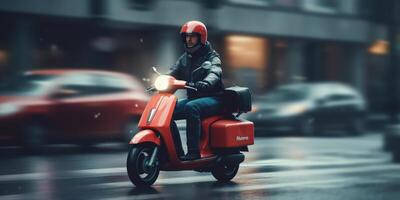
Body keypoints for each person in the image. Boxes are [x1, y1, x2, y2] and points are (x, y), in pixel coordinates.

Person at [169, 21, 224, 161]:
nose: (189, 40)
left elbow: (215, 72)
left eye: (192, 37)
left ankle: (194, 152)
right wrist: (163, 79)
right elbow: (172, 73)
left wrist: (206, 82)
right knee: (166, 111)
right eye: (186, 37)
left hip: (214, 98)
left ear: (202, 38)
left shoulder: (212, 57)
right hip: (194, 97)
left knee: (191, 107)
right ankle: (176, 152)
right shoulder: (185, 58)